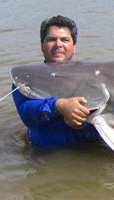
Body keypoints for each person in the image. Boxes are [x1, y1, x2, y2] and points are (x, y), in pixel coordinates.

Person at [12, 15, 101, 147]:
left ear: (74, 46)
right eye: (51, 39)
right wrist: (59, 106)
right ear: (42, 45)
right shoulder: (26, 76)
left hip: (92, 150)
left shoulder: (93, 76)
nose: (58, 44)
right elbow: (27, 113)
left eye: (64, 40)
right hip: (46, 154)